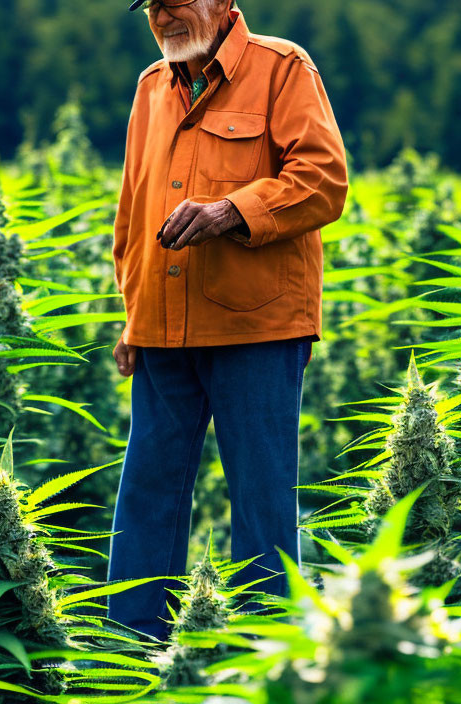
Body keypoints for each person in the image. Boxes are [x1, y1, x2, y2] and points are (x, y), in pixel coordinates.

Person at [107, 0, 349, 640]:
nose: (164, 16)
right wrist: (132, 314)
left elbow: (324, 179)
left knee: (262, 504)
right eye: (154, 5)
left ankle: (267, 658)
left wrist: (231, 212)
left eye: (179, 0)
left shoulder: (283, 67)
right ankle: (130, 656)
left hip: (258, 330)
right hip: (162, 327)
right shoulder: (151, 87)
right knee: (146, 497)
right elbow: (133, 209)